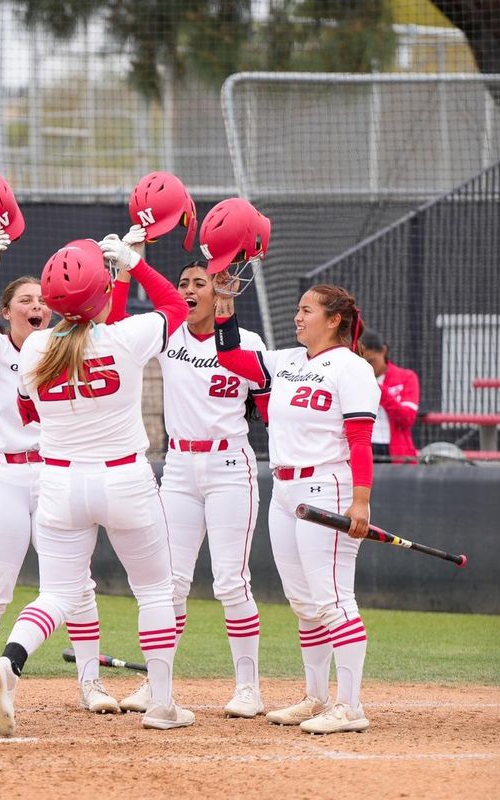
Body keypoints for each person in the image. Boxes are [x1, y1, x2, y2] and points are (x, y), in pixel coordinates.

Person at [0, 233, 191, 736]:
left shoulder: (33, 346)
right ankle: (162, 705)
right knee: (155, 591)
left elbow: (30, 406)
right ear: (99, 295)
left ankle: (8, 665)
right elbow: (174, 305)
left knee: (56, 593)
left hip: (59, 482)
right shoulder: (125, 336)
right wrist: (131, 264)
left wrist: (108, 281)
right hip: (123, 480)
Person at [105, 219, 271, 718]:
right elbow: (113, 329)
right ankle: (158, 689)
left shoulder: (249, 343)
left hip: (228, 464)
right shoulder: (168, 332)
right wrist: (122, 271)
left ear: (219, 286)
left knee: (230, 581)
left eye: (200, 281)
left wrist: (228, 308)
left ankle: (249, 688)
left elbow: (265, 404)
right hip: (177, 466)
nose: (190, 289)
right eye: (184, 283)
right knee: (169, 581)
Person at [0, 226, 118, 716]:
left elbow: (107, 324)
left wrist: (115, 270)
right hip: (1, 476)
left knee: (76, 585)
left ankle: (91, 686)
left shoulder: (60, 348)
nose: (36, 304)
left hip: (53, 472)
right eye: (25, 299)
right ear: (8, 313)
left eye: (42, 299)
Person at [213, 280, 381, 735]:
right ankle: (316, 698)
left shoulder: (351, 368)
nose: (298, 316)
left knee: (332, 599)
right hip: (285, 490)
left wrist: (361, 501)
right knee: (305, 603)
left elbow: (360, 439)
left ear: (334, 320)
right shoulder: (286, 361)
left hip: (328, 485)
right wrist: (225, 302)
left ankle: (350, 707)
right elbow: (229, 356)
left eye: (308, 310)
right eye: (298, 309)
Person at [358, 332, 420, 464]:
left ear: (384, 351)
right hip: (362, 450)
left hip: (396, 453)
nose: (367, 367)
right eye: (362, 363)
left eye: (371, 362)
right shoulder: (353, 380)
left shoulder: (406, 377)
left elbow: (407, 418)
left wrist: (379, 390)